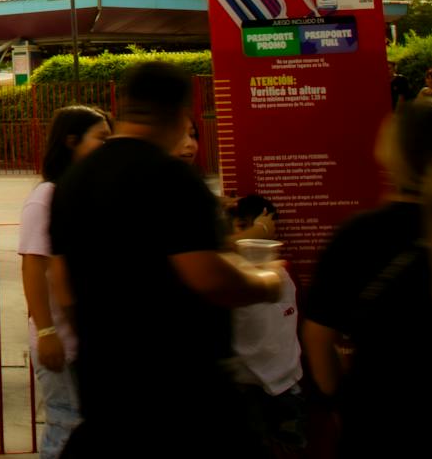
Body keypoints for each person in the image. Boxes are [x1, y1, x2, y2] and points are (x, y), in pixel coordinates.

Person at [49, 62, 282, 459]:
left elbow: (64, 284)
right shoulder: (172, 177)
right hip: (185, 400)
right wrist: (265, 282)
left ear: (125, 106)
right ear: (178, 112)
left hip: (107, 394)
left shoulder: (74, 181)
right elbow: (207, 277)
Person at [302, 100, 432, 459]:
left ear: (389, 156)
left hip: (380, 428)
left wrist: (340, 402)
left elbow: (318, 339)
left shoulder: (356, 238)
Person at [19, 105, 110, 459]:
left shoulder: (85, 192)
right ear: (72, 141)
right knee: (65, 422)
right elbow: (32, 266)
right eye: (101, 138)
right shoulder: (46, 197)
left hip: (87, 334)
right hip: (61, 337)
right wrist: (46, 332)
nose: (109, 146)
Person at [223, 195, 305, 456]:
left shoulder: (285, 272)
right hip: (244, 382)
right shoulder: (225, 277)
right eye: (242, 226)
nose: (254, 238)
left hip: (286, 382)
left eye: (260, 228)